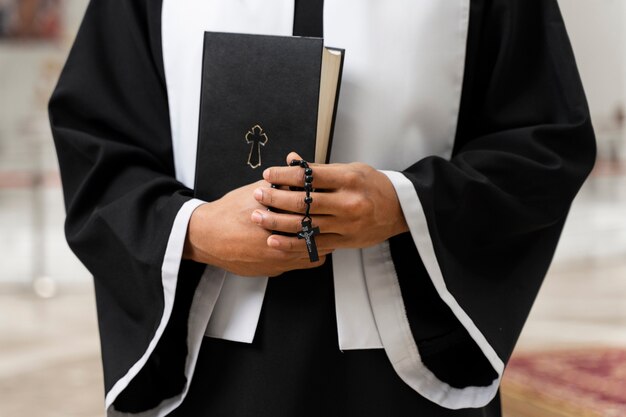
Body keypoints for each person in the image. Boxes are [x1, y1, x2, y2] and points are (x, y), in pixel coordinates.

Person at [49, 0, 596, 416]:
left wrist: (405, 203)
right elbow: (97, 140)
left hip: (405, 351)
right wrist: (194, 231)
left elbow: (545, 140)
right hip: (213, 359)